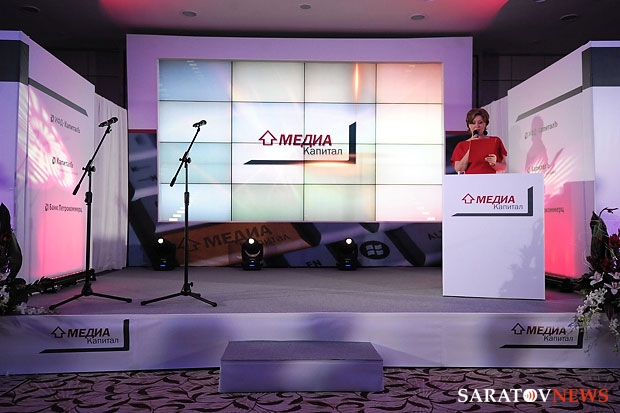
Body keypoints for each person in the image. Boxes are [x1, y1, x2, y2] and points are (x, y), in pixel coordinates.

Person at [451, 108, 507, 174]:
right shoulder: (461, 145)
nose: (477, 126)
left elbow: (504, 168)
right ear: (468, 125)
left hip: (490, 178)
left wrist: (494, 163)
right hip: (470, 179)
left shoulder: (495, 141)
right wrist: (472, 147)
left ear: (485, 124)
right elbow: (459, 169)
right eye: (473, 123)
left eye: (480, 122)